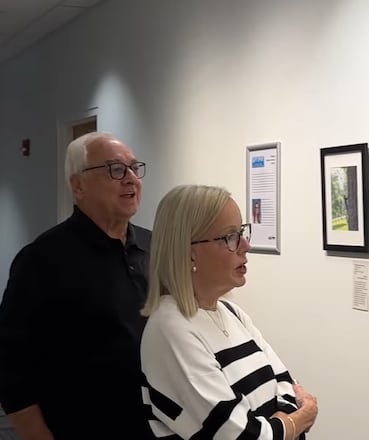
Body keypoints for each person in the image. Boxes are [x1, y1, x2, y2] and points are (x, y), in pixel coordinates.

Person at [0, 132, 153, 440]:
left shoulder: (155, 245)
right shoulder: (42, 259)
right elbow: (10, 363)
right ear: (78, 185)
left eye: (134, 168)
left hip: (158, 428)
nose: (131, 178)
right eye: (115, 169)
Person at [140, 184, 318, 440]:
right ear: (189, 252)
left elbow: (287, 385)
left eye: (242, 232)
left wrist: (281, 424)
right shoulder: (170, 328)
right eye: (230, 236)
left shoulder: (232, 313)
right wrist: (296, 422)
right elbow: (237, 435)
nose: (245, 245)